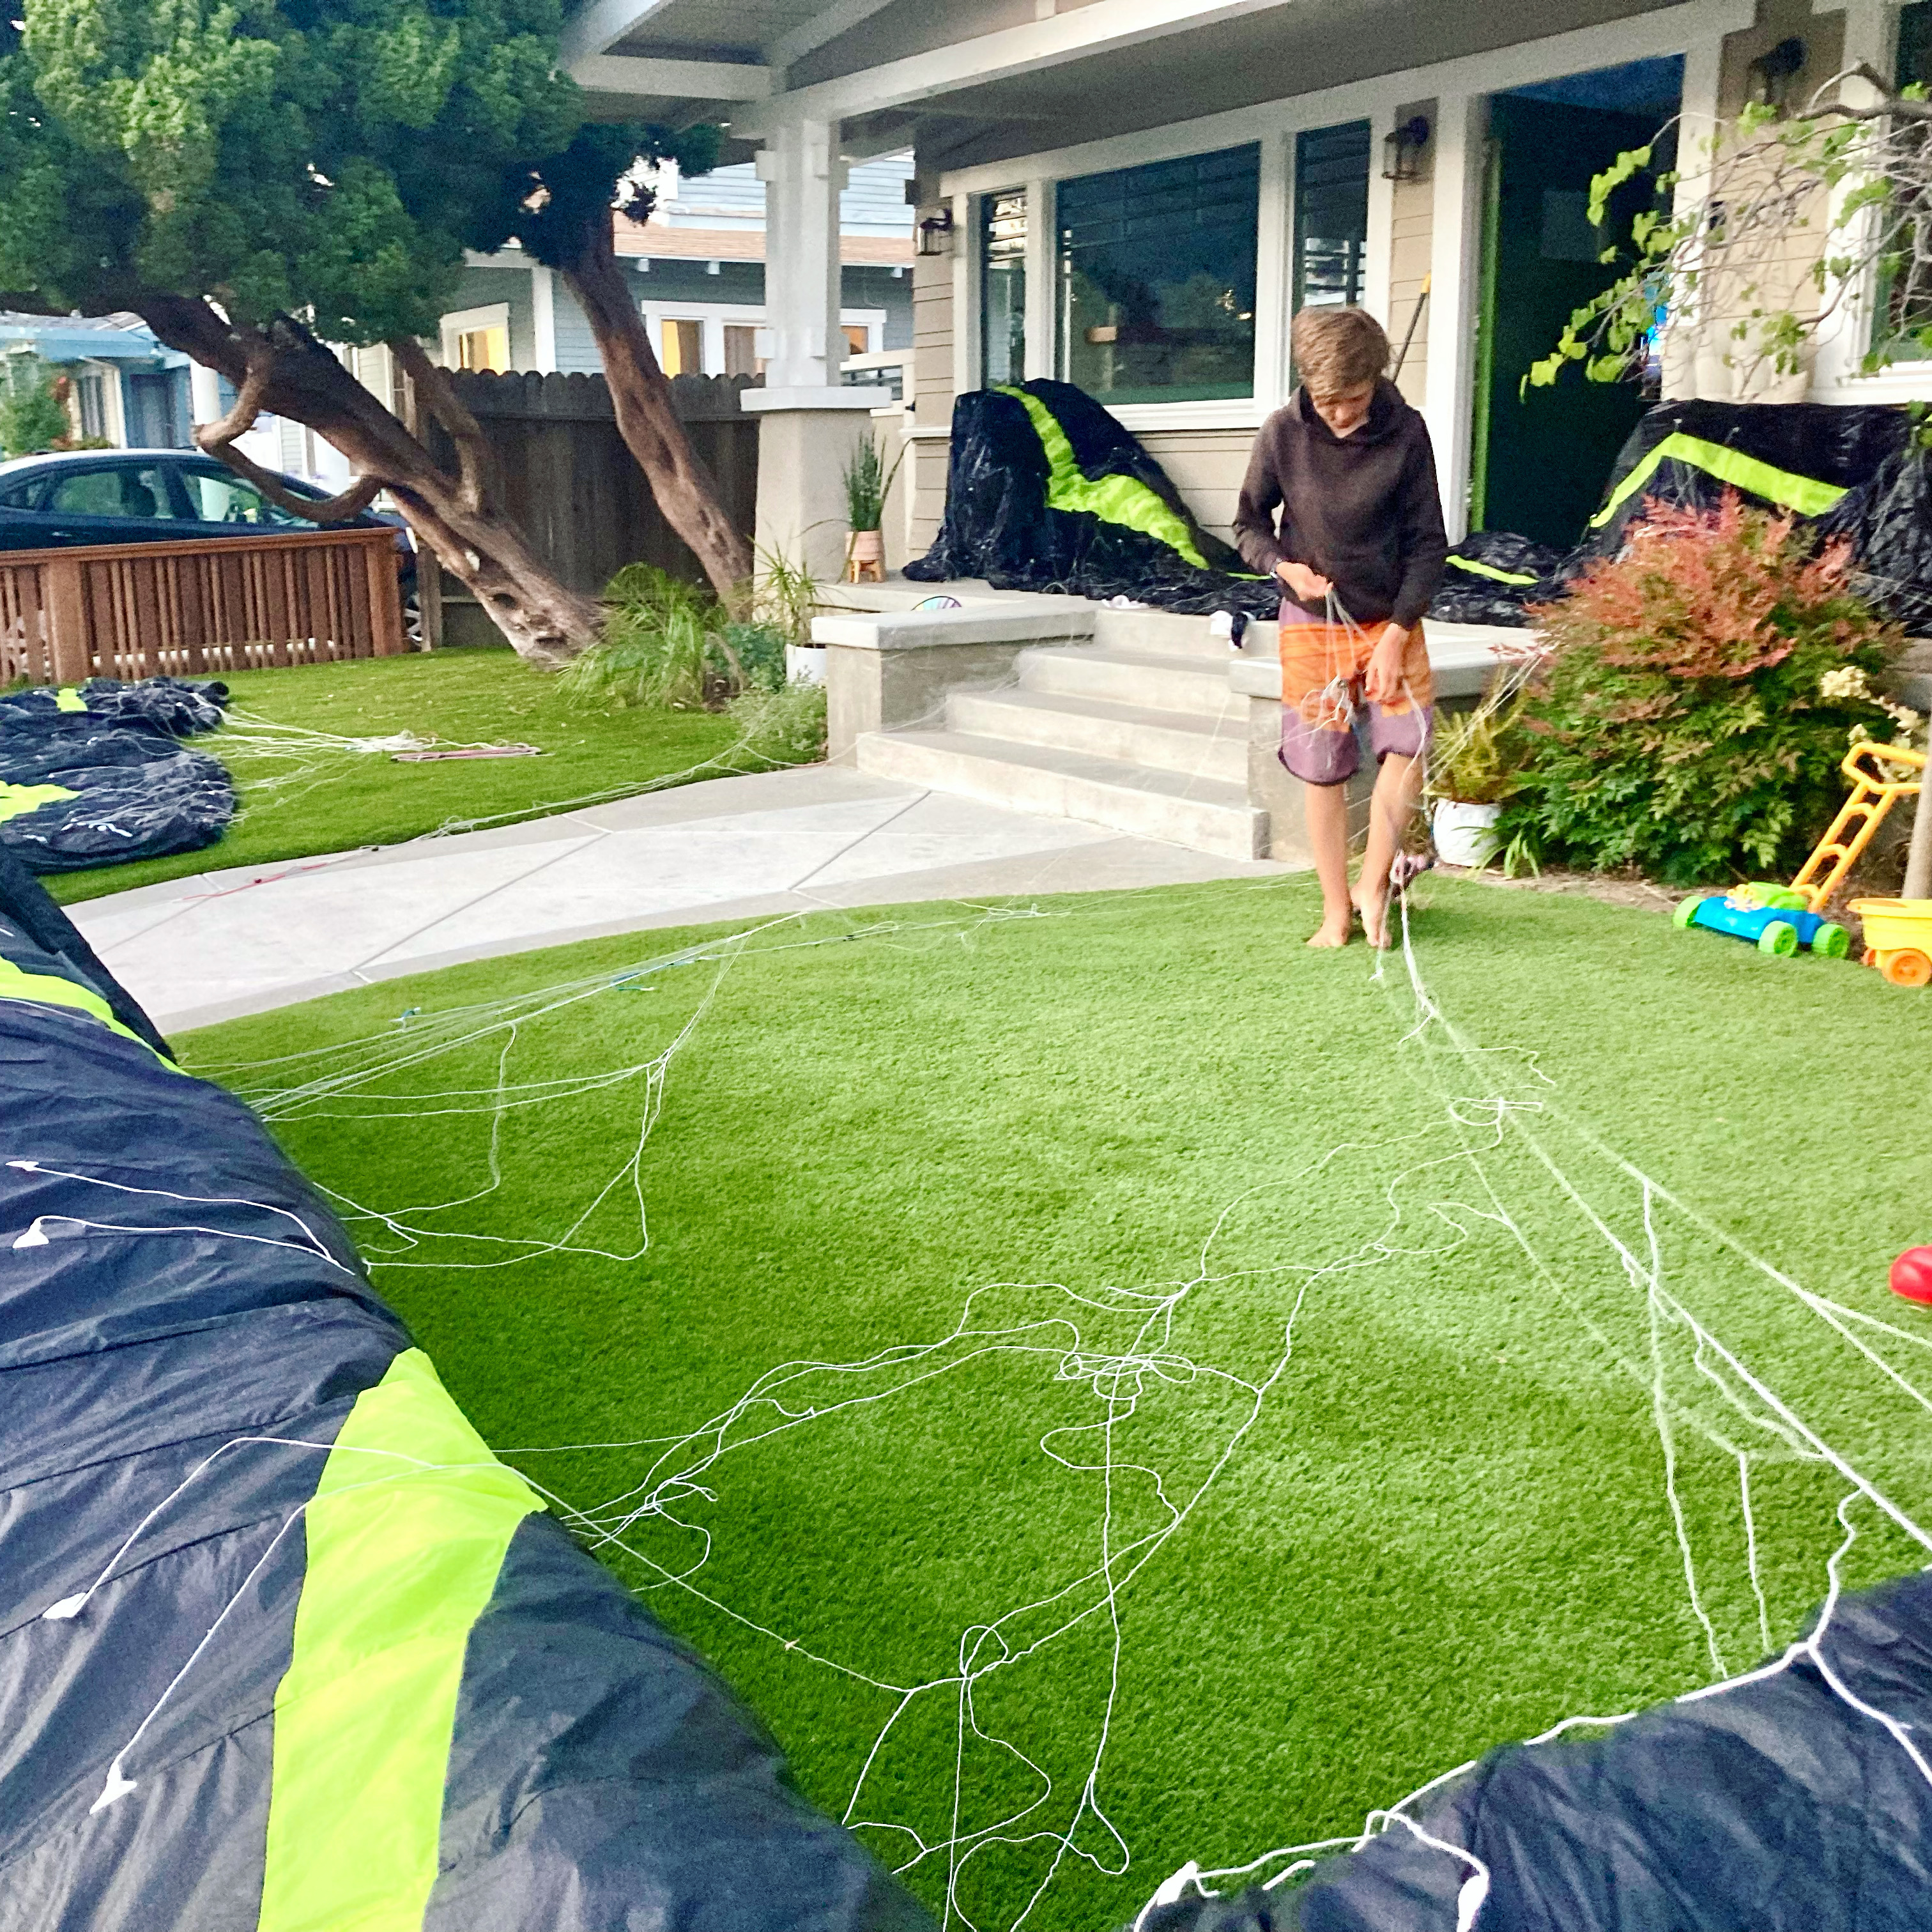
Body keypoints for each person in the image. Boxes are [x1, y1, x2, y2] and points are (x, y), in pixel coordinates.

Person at [1232, 307, 1448, 949]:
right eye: (1327, 402)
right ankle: (1336, 910)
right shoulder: (1282, 432)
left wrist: (1397, 633)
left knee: (1408, 748)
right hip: (1312, 619)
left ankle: (1373, 886)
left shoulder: (1407, 434)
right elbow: (1247, 526)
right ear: (1308, 387)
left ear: (1375, 381)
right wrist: (1284, 569)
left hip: (1391, 616)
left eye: (1352, 400)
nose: (1341, 415)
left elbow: (1429, 545)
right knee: (1321, 765)